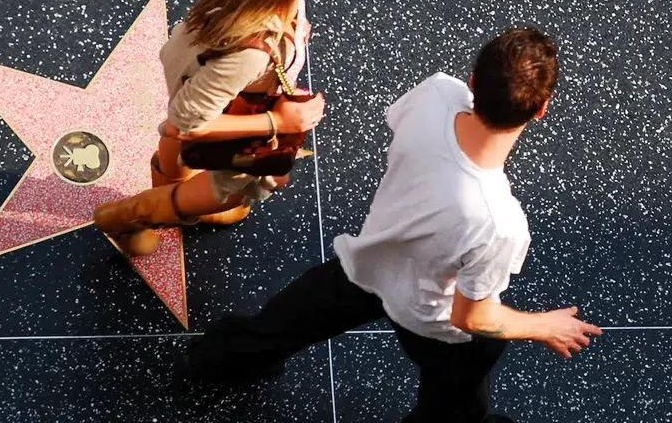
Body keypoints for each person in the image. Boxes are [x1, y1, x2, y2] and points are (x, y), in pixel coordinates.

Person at [184, 28, 601, 422]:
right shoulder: (500, 222)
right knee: (453, 408)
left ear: (473, 81)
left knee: (286, 321)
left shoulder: (437, 93)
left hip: (371, 261)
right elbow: (472, 318)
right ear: (541, 110)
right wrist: (545, 325)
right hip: (433, 322)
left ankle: (219, 362)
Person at [92, 0, 347, 256]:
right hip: (230, 97)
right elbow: (188, 124)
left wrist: (293, 33)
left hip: (192, 61)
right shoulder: (252, 52)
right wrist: (280, 121)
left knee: (174, 128)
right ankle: (128, 217)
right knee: (231, 189)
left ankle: (168, 180)